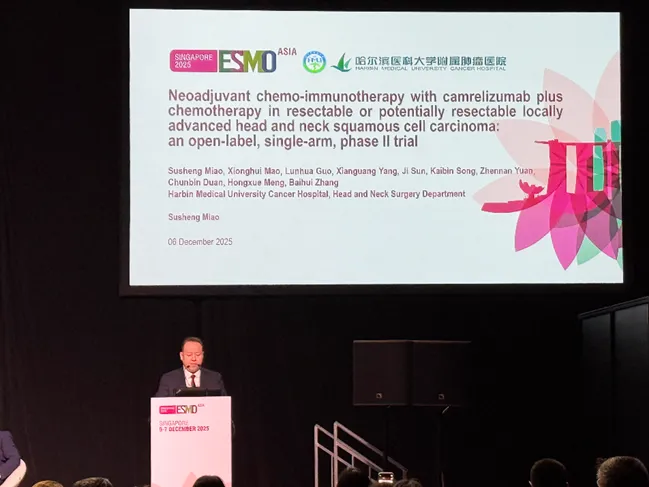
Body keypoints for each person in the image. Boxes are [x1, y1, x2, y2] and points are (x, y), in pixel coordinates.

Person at [155, 337, 227, 397]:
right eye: (189, 355)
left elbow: (224, 404)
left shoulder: (215, 378)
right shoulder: (168, 379)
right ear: (181, 356)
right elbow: (158, 406)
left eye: (198, 354)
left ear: (203, 355)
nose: (193, 359)